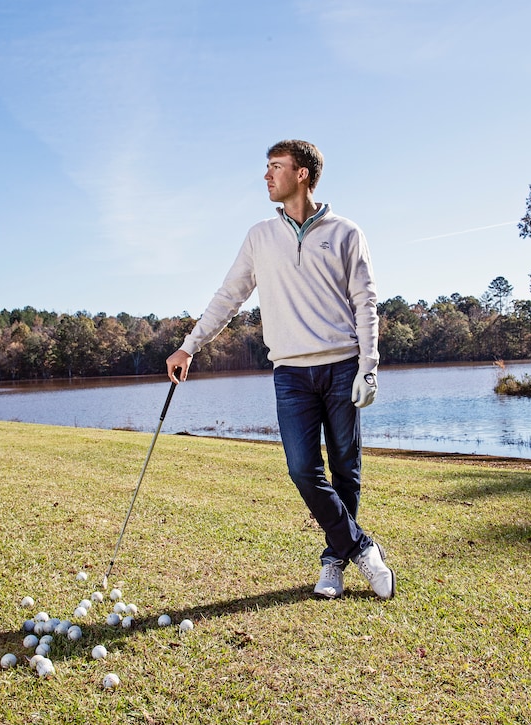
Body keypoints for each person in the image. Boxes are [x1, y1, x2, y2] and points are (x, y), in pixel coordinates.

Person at [165, 139, 395, 600]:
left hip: (341, 364)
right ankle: (361, 548)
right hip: (290, 373)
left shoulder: (346, 232)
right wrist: (189, 347)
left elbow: (366, 303)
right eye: (267, 167)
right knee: (301, 468)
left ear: (303, 174)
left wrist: (368, 367)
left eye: (275, 167)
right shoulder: (259, 237)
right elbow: (228, 297)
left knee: (346, 469)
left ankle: (333, 563)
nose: (267, 176)